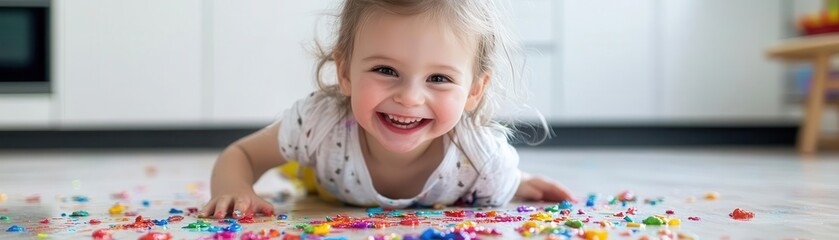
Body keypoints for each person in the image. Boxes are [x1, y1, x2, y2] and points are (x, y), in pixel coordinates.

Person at [199, 0, 573, 219]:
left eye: (439, 78)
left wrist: (519, 184)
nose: (409, 98)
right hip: (325, 173)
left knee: (508, 181)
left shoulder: (482, 163)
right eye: (385, 70)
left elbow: (497, 183)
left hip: (479, 171)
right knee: (302, 174)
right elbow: (242, 154)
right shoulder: (318, 126)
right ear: (345, 72)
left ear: (474, 90)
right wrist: (234, 188)